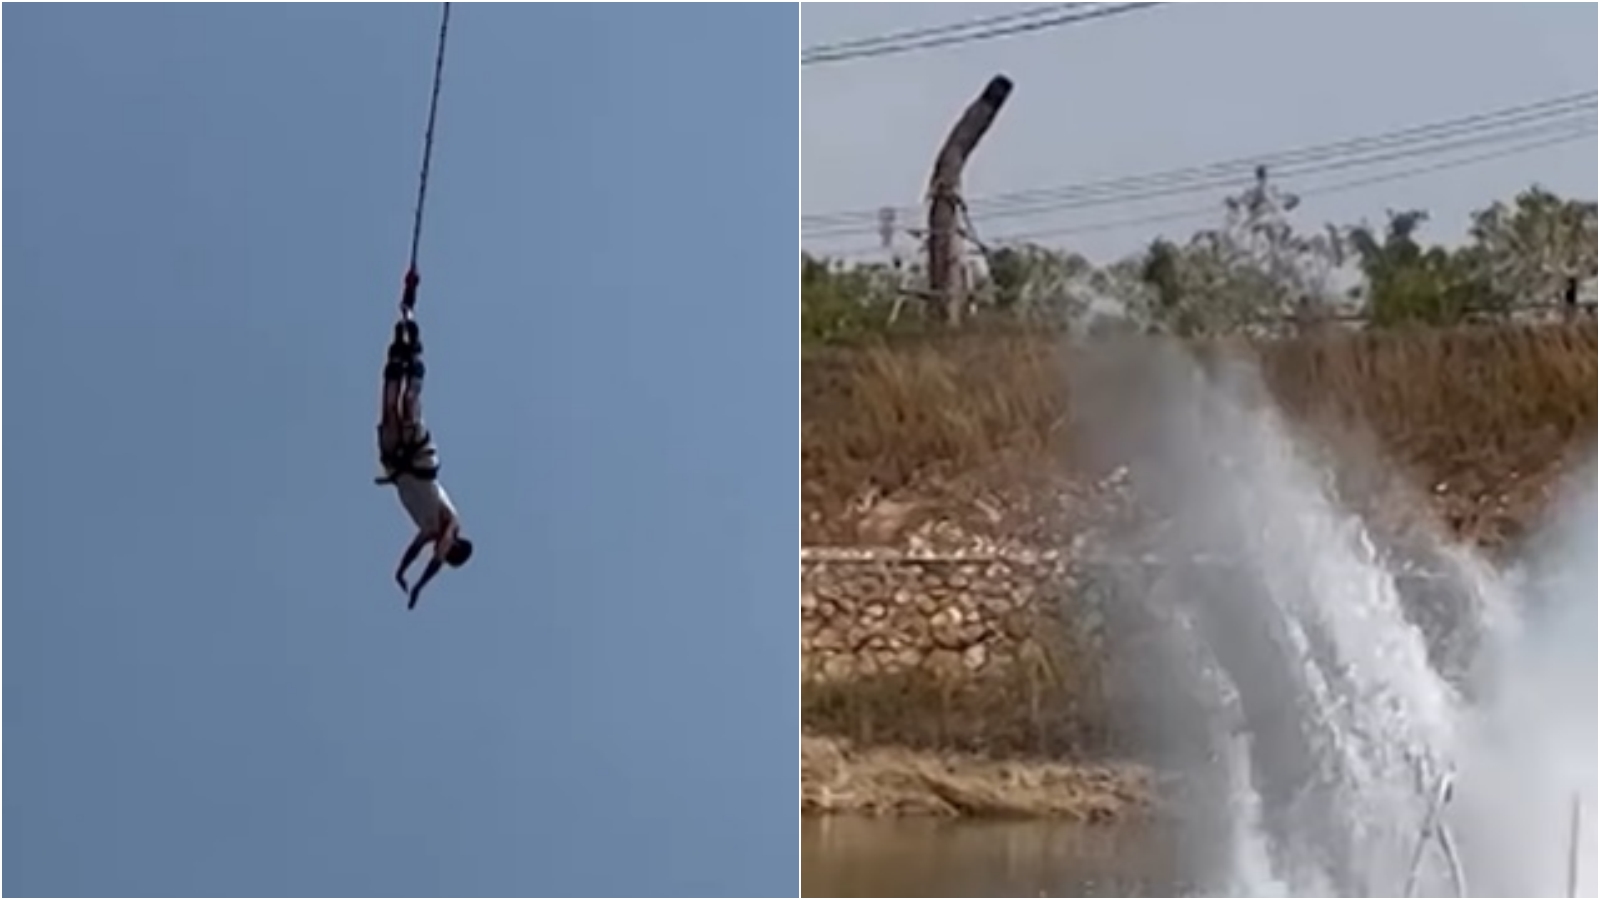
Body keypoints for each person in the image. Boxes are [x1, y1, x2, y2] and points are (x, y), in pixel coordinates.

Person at [377, 282, 473, 609]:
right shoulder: (451, 524)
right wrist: (419, 585)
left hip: (398, 465)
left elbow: (415, 550)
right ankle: (414, 348)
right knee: (409, 404)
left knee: (391, 407)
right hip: (418, 460)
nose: (440, 551)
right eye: (446, 553)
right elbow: (433, 556)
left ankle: (398, 352)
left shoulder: (427, 531)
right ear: (453, 545)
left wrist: (402, 571)